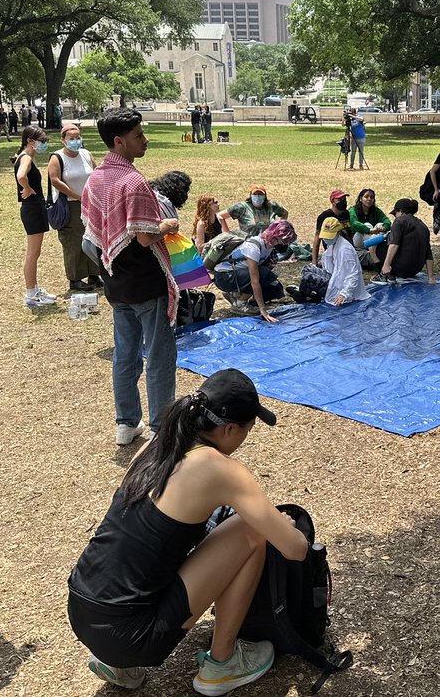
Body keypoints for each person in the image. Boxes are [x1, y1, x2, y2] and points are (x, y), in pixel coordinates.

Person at [68, 369, 307, 694]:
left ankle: (117, 664)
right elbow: (296, 549)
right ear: (230, 429)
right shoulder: (219, 468)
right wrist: (282, 526)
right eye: (247, 431)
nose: (244, 439)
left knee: (157, 546)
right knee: (253, 532)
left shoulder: (160, 442)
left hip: (83, 610)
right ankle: (222, 665)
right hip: (128, 635)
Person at [81, 108, 181, 446]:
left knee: (125, 354)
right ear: (119, 141)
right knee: (159, 355)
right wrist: (167, 225)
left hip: (115, 280)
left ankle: (126, 423)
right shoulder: (133, 181)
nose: (145, 140)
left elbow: (96, 230)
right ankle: (160, 427)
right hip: (146, 280)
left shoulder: (96, 178)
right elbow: (144, 235)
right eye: (139, 135)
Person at [47, 123, 102, 293]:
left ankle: (94, 274)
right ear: (63, 140)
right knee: (74, 241)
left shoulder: (86, 154)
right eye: (72, 138)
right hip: (71, 204)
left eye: (78, 137)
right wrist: (77, 196)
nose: (76, 141)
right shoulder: (57, 157)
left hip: (90, 204)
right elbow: (55, 180)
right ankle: (75, 278)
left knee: (94, 238)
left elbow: (96, 171)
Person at [212, 221, 297, 324]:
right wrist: (263, 309)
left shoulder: (268, 246)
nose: (285, 245)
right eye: (285, 241)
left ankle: (236, 294)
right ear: (275, 236)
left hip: (235, 274)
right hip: (224, 277)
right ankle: (240, 303)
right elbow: (255, 281)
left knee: (275, 288)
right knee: (265, 274)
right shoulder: (254, 247)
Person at [13, 125, 58, 307]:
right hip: (32, 208)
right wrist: (27, 188)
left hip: (33, 208)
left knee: (35, 252)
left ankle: (35, 289)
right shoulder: (26, 158)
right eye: (42, 141)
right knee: (33, 253)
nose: (44, 144)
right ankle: (31, 294)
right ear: (30, 141)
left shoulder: (25, 157)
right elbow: (21, 175)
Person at [375, 198, 437, 284]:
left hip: (401, 269)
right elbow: (428, 252)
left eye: (395, 214)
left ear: (400, 211)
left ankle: (385, 275)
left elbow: (394, 244)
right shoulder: (423, 226)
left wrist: (386, 266)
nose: (395, 217)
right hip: (415, 270)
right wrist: (431, 277)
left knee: (380, 246)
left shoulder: (399, 221)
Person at [317, 216, 369, 305]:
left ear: (338, 232)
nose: (326, 239)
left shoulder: (345, 250)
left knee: (310, 278)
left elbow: (352, 274)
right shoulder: (333, 245)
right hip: (334, 280)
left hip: (343, 288)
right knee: (308, 270)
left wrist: (344, 294)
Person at [222, 187, 288, 238]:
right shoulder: (242, 207)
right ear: (251, 195)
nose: (258, 196)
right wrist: (227, 234)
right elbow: (220, 216)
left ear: (265, 196)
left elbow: (285, 213)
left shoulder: (272, 206)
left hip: (268, 242)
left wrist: (280, 228)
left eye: (260, 194)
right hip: (247, 243)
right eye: (255, 194)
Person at [349, 187, 390, 268]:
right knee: (367, 224)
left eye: (372, 197)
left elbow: (387, 221)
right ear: (360, 199)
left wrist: (384, 227)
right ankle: (375, 252)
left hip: (370, 240)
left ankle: (374, 249)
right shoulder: (353, 210)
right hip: (358, 241)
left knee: (380, 224)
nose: (369, 199)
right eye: (366, 197)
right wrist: (370, 230)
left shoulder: (375, 210)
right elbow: (354, 223)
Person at [312, 189, 354, 265]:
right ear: (332, 201)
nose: (343, 201)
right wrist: (314, 261)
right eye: (339, 199)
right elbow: (317, 238)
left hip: (348, 248)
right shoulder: (324, 216)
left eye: (344, 199)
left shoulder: (346, 213)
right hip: (333, 250)